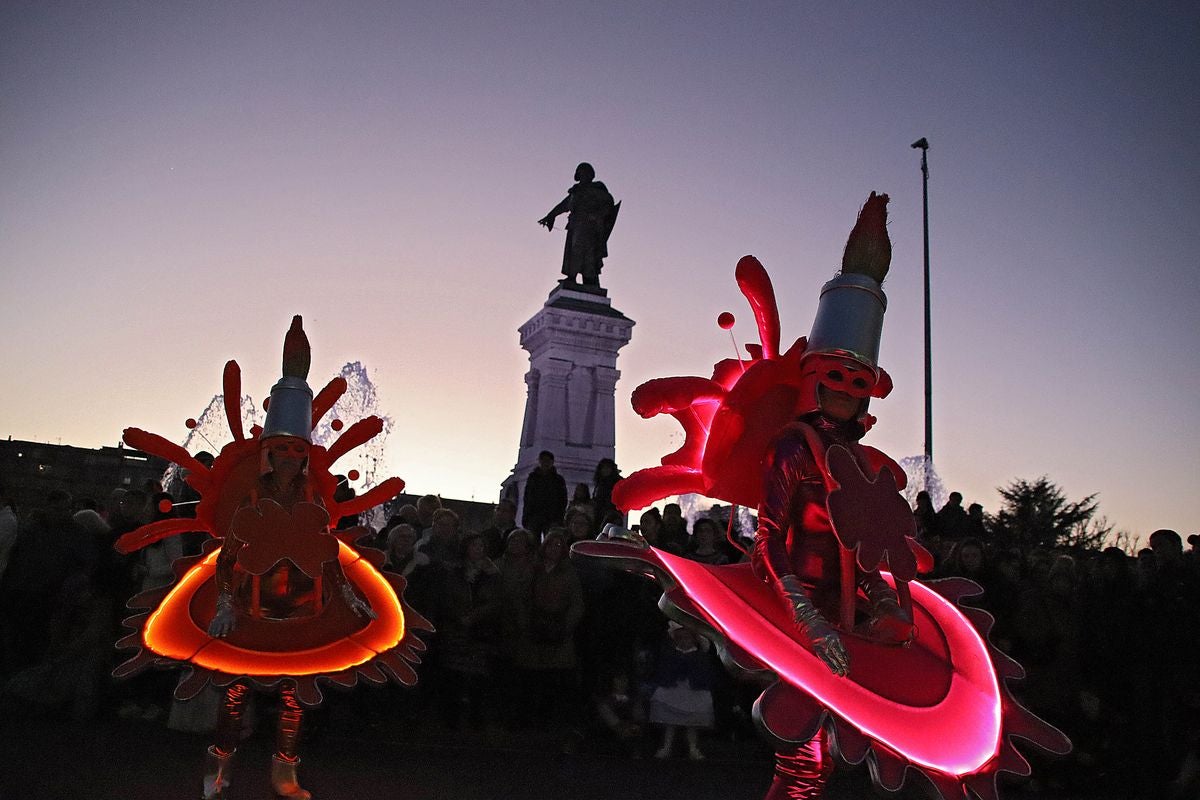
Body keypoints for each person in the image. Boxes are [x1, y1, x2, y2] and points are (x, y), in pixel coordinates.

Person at [111, 317, 429, 800]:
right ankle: (219, 768)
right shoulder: (249, 499)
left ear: (303, 455)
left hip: (306, 610)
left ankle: (285, 772)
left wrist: (354, 600)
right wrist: (220, 605)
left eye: (294, 451)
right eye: (280, 450)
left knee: (292, 699)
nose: (287, 458)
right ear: (268, 453)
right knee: (234, 695)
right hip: (250, 608)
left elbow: (325, 558)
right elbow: (228, 556)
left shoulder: (316, 501)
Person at [538, 162, 619, 287]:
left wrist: (597, 216)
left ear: (591, 175)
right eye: (581, 173)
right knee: (574, 250)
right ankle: (573, 277)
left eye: (586, 173)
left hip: (590, 227)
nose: (583, 175)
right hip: (576, 225)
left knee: (586, 252)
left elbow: (608, 205)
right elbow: (563, 205)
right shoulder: (576, 192)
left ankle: (589, 279)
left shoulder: (597, 189)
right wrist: (550, 215)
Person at [521, 451, 567, 537]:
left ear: (552, 462)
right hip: (534, 516)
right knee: (532, 543)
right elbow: (527, 498)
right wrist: (526, 517)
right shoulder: (532, 478)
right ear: (539, 461)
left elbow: (563, 500)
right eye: (543, 460)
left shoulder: (558, 480)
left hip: (552, 518)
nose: (545, 463)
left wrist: (559, 518)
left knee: (550, 541)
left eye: (548, 461)